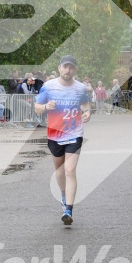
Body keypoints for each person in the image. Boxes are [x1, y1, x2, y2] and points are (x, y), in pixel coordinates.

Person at [34, 55, 91, 225]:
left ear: (75, 69)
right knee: (59, 171)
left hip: (75, 133)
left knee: (69, 170)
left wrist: (87, 112)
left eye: (71, 67)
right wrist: (45, 107)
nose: (68, 70)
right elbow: (37, 107)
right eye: (65, 67)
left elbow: (86, 104)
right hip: (55, 135)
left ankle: (69, 209)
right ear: (59, 68)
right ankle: (64, 195)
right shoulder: (48, 87)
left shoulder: (80, 88)